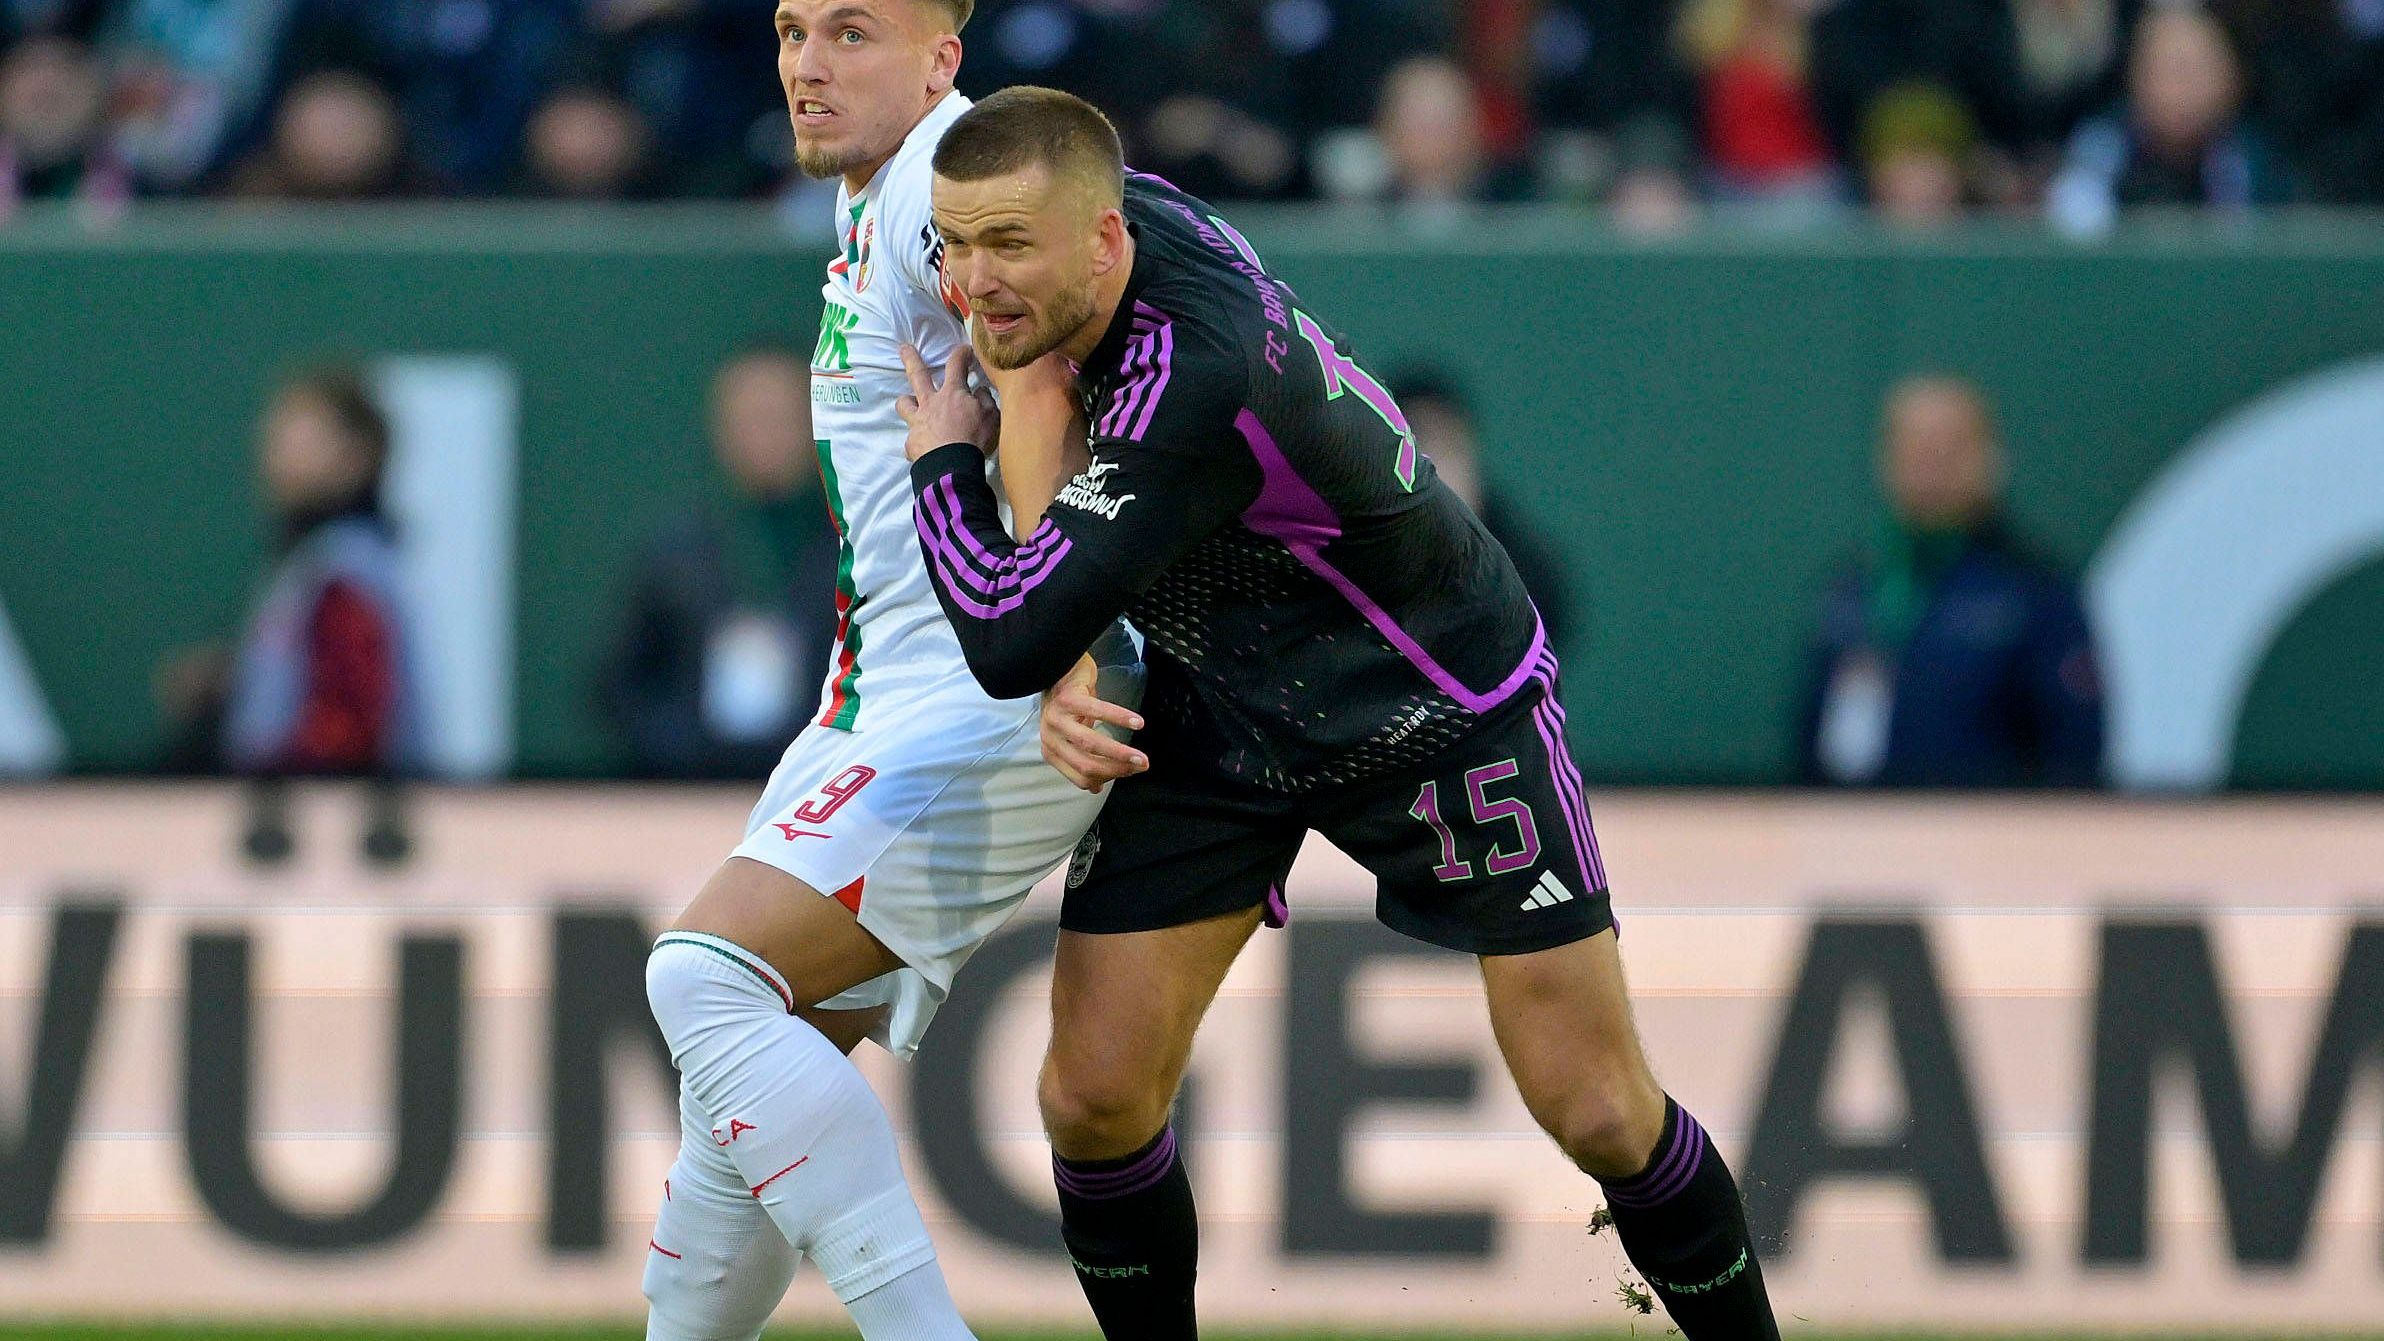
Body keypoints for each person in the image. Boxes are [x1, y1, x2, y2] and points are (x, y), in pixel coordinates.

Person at [899, 86, 1781, 1340]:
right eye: (953, 242)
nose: (973, 281)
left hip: (1429, 695)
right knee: (1092, 1096)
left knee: (1593, 1109)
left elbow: (1001, 626)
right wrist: (1078, 639)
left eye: (1006, 247)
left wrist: (941, 463)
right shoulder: (1113, 232)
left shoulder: (1185, 376)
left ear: (1102, 240)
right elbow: (1036, 392)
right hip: (1224, 698)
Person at [634, 6, 1106, 1341]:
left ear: (941, 61)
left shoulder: (939, 195)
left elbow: (1052, 390)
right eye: (791, 31)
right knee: (729, 1140)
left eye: (852, 32)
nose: (806, 64)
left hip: (977, 691)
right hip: (892, 692)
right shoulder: (885, 206)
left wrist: (1063, 638)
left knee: (703, 978)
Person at [1797, 374, 2105, 787]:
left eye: (1947, 445)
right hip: (1859, 836)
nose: (1928, 461)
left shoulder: (2032, 590)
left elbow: (2076, 749)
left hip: (1990, 838)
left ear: (1988, 459)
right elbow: (1812, 737)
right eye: (1912, 445)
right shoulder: (1854, 588)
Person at [156, 366, 424, 777]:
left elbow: (348, 727)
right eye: (277, 437)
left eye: (303, 439)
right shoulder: (309, 565)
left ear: (357, 456)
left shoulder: (345, 572)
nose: (279, 455)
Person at [598, 344, 841, 778]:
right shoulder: (679, 552)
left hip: (821, 787)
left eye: (778, 418)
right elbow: (622, 684)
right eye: (748, 419)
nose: (763, 436)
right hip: (694, 791)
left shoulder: (852, 549)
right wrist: (682, 748)